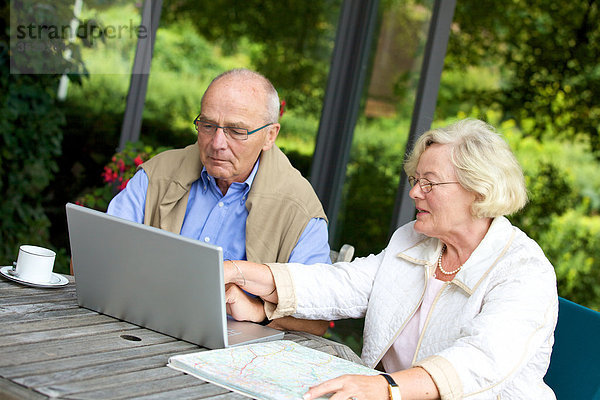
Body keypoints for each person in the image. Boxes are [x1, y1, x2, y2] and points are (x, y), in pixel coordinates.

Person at [223, 119, 559, 399]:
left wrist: (386, 388)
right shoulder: (413, 239)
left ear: (478, 190)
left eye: (429, 183)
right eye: (416, 180)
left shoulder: (524, 271)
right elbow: (341, 284)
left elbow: (481, 359)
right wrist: (236, 271)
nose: (414, 192)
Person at [105, 68, 331, 336]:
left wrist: (258, 313)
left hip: (233, 355)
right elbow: (102, 254)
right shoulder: (159, 174)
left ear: (270, 135)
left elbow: (316, 320)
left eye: (236, 131)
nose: (217, 143)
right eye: (208, 125)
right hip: (139, 325)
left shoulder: (300, 209)